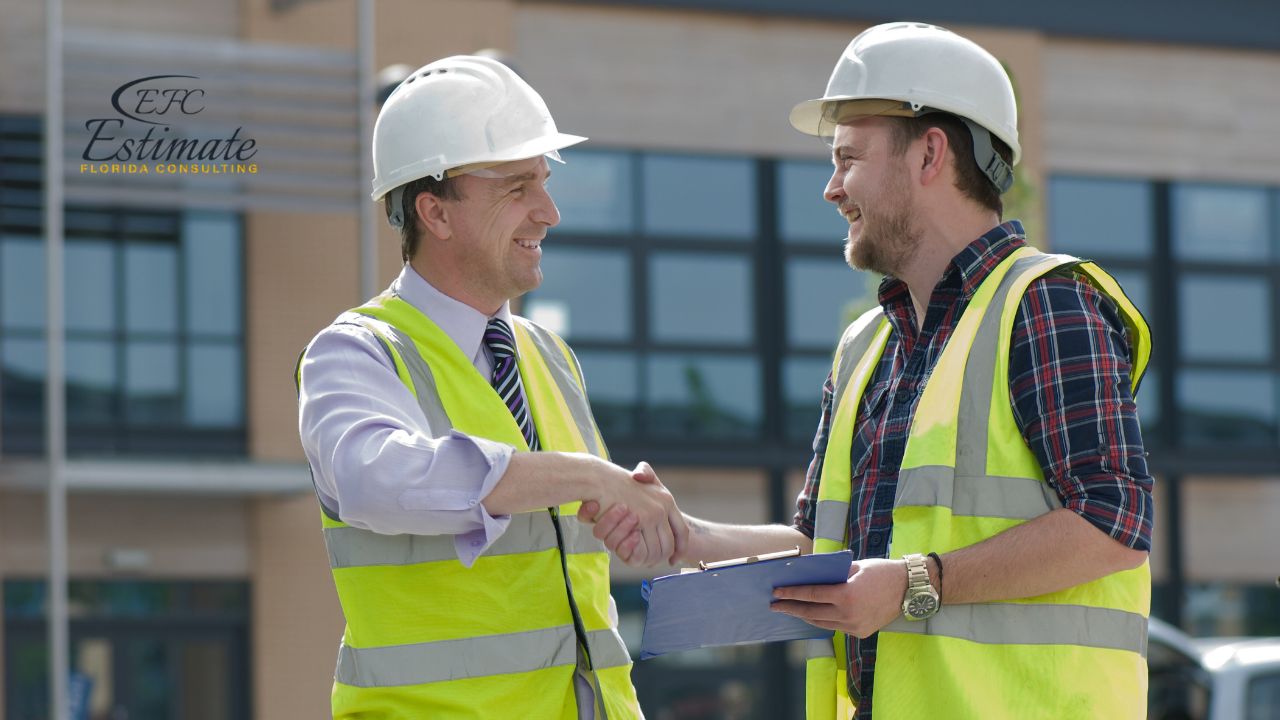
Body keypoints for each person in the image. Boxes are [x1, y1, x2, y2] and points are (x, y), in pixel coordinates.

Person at [583, 22, 1154, 720]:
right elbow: (829, 550)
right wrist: (690, 536)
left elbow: (1113, 523)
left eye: (848, 158)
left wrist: (919, 581)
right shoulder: (866, 346)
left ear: (930, 153)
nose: (831, 188)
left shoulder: (1045, 304)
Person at [297, 54, 681, 719]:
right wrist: (584, 475)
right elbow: (372, 480)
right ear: (436, 214)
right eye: (517, 187)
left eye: (545, 181)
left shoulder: (548, 355)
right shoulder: (356, 353)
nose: (550, 211)